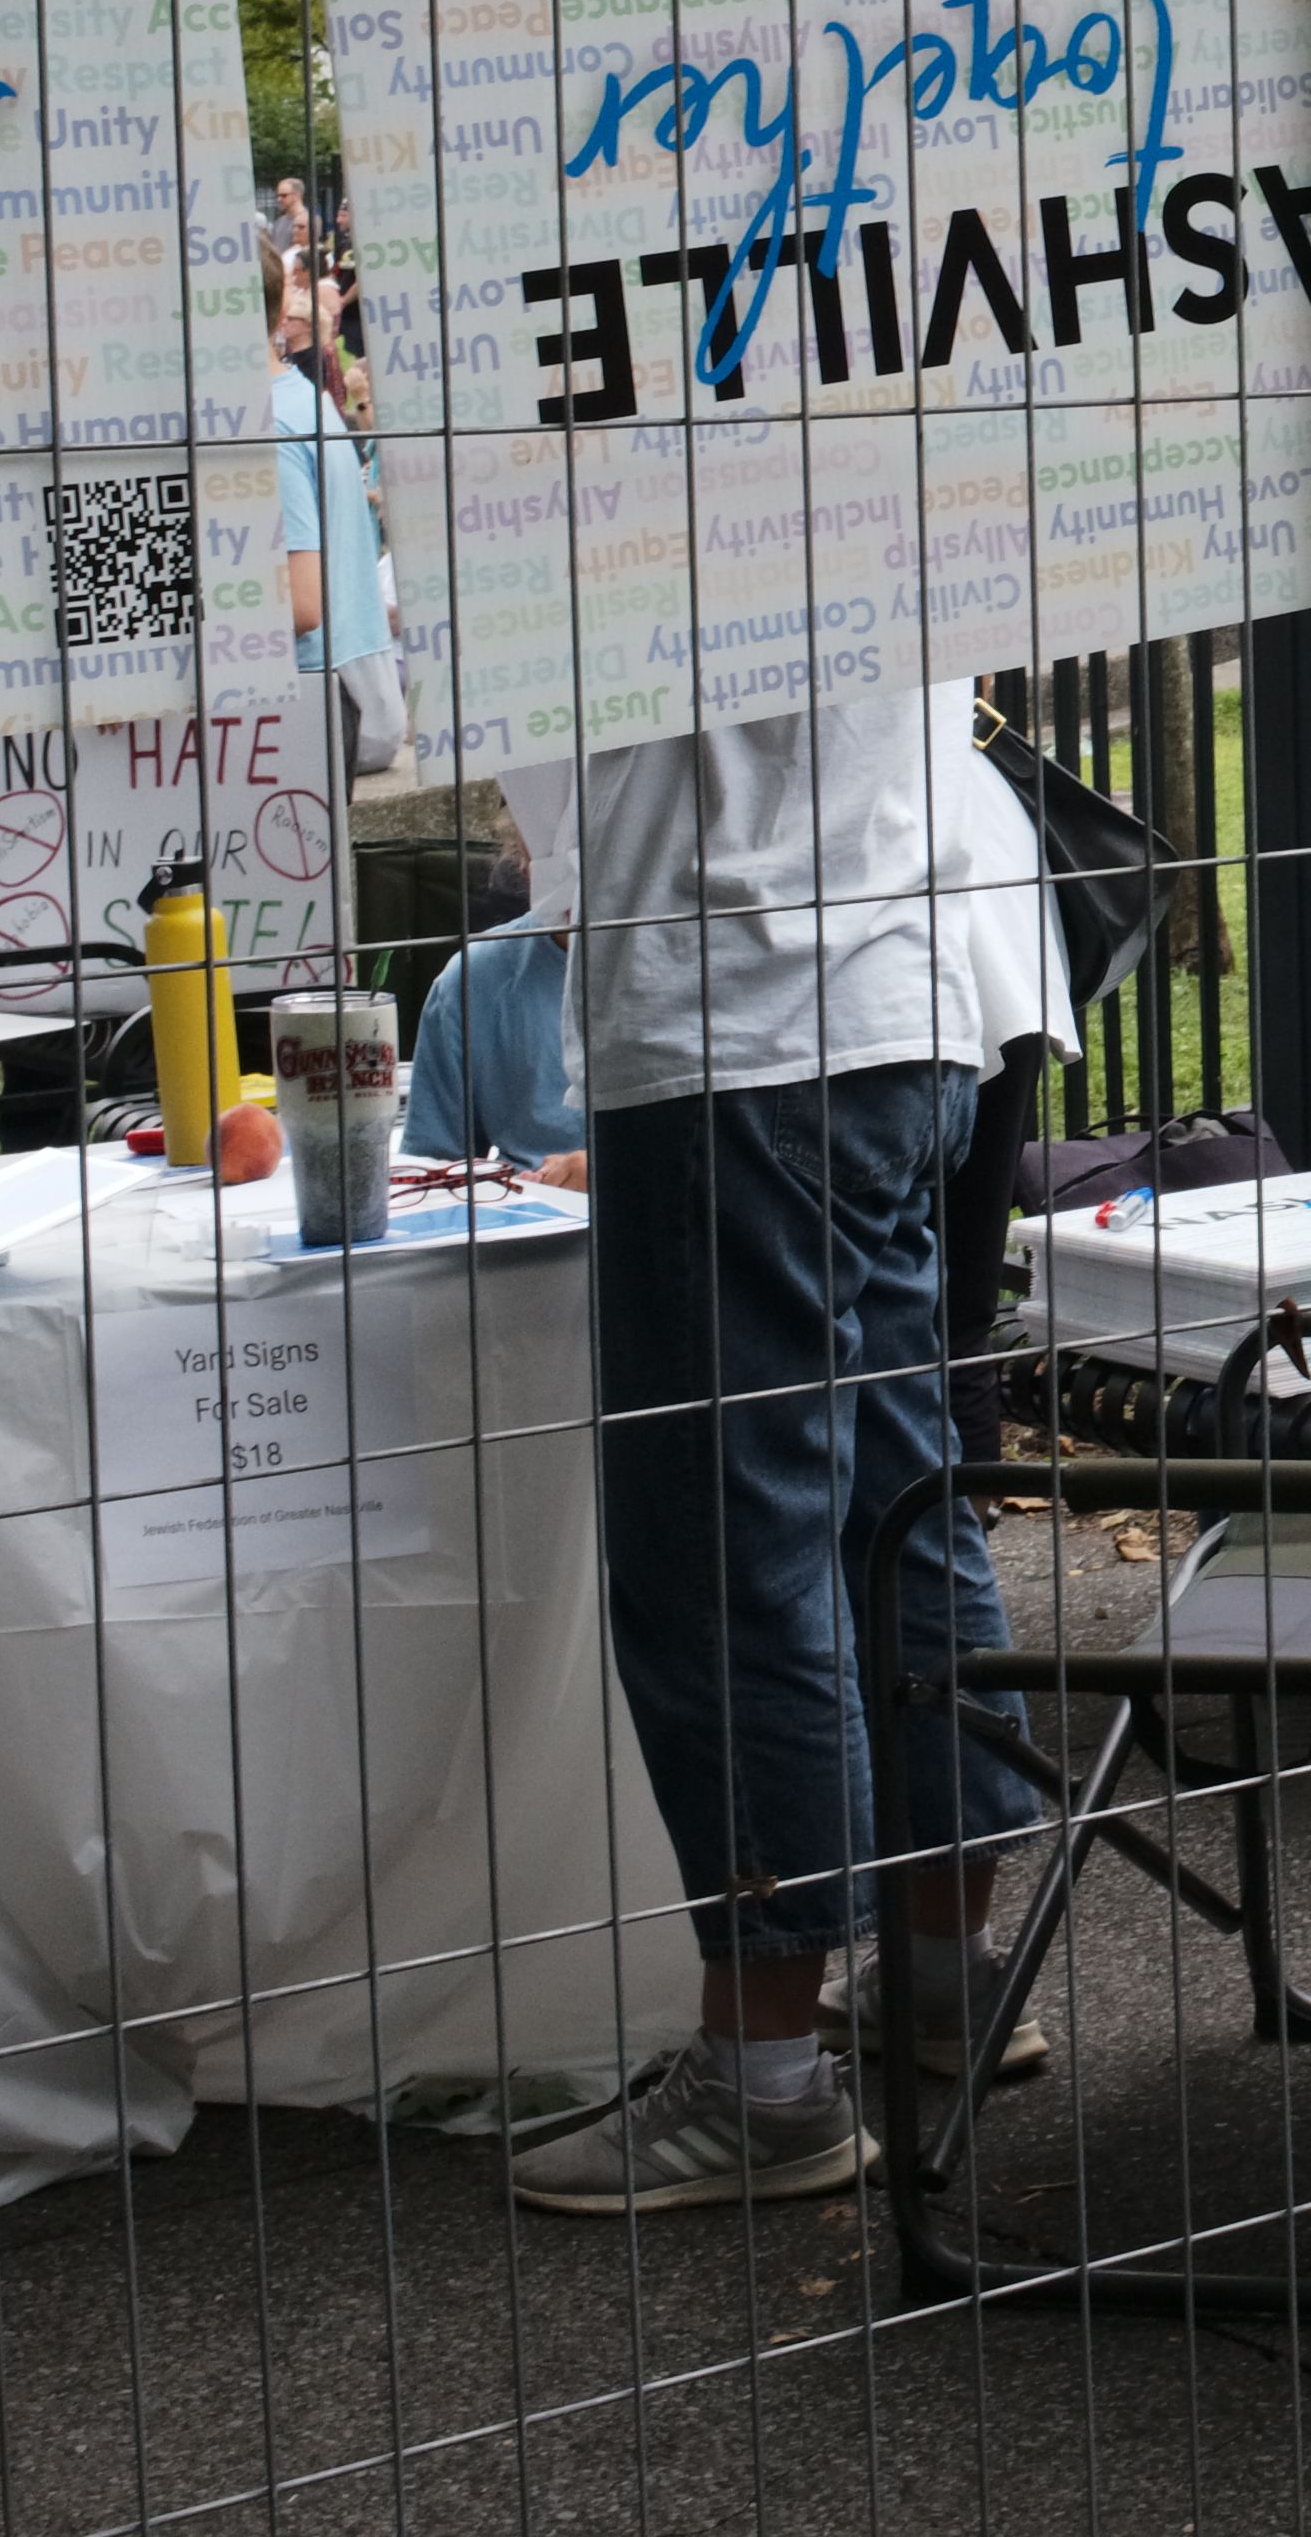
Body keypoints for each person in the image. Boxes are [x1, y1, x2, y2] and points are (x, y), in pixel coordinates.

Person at [492, 684, 1069, 2204]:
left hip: (734, 996)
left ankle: (762, 2078)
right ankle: (942, 1975)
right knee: (898, 1492)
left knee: (732, 1546)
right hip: (908, 987)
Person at [272, 263, 409, 790]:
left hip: (323, 709)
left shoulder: (271, 427)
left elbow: (303, 607)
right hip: (353, 696)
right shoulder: (302, 399)